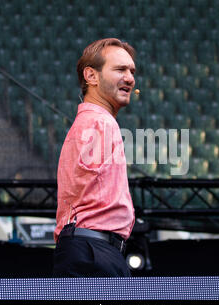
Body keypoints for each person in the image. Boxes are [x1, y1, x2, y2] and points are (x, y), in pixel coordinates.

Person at [53, 38, 137, 277]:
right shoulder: (98, 121)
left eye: (132, 71)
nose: (130, 77)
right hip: (92, 252)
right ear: (91, 76)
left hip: (92, 250)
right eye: (120, 69)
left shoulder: (95, 121)